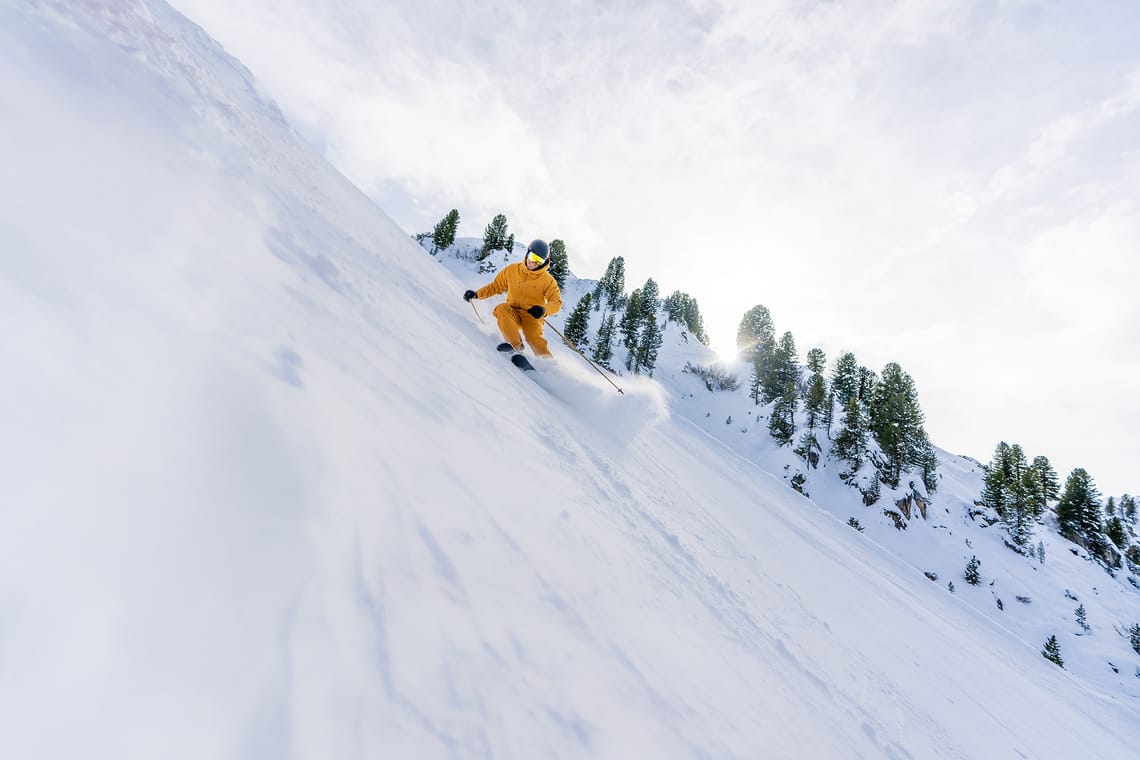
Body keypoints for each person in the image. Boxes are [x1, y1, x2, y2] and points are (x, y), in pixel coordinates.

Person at [464, 239, 563, 357]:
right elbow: (496, 286)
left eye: (539, 260)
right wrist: (477, 294)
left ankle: (548, 364)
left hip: (532, 316)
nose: (533, 262)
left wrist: (543, 310)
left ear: (544, 262)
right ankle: (516, 347)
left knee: (533, 338)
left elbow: (556, 301)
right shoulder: (512, 270)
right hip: (512, 312)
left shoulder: (548, 280)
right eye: (532, 257)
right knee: (501, 309)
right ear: (527, 253)